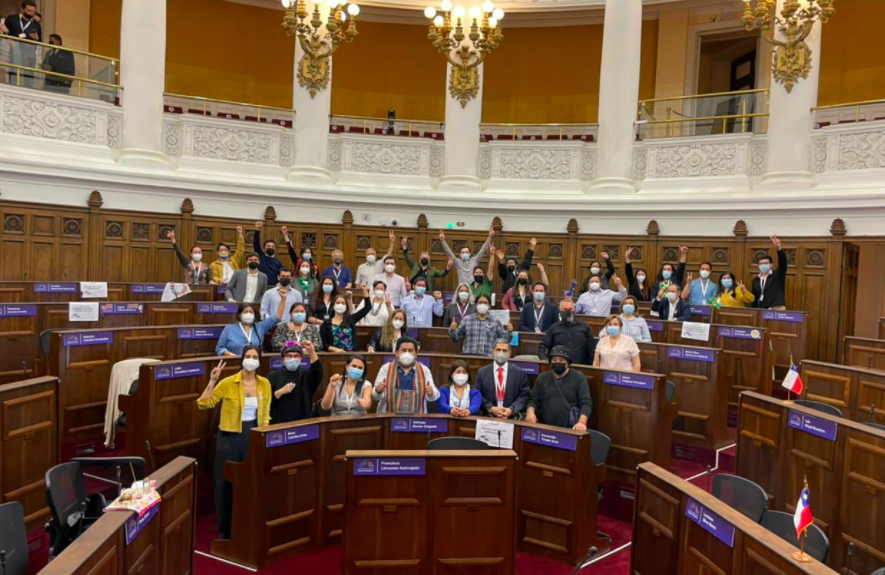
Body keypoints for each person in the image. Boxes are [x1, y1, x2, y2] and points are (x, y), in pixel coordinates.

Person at [197, 349, 270, 538]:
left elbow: (265, 414)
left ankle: (245, 526)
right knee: (225, 483)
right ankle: (225, 529)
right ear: (242, 359)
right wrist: (212, 380)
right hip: (229, 438)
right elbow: (204, 404)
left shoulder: (265, 384)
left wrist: (264, 436)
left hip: (253, 436)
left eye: (255, 357)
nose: (251, 360)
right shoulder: (228, 382)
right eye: (248, 357)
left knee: (249, 483)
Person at [526, 346, 592, 430]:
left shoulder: (579, 377)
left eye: (561, 360)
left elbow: (586, 402)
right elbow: (533, 399)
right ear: (550, 362)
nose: (558, 362)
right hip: (544, 425)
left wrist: (582, 422)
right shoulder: (543, 377)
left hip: (570, 427)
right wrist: (530, 412)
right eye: (554, 360)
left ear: (568, 362)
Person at [373, 336, 440, 413]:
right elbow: (375, 397)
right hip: (388, 417)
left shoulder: (424, 370)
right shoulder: (386, 368)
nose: (407, 353)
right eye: (403, 350)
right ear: (397, 353)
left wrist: (431, 393)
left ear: (416, 353)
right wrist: (378, 390)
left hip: (417, 419)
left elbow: (435, 396)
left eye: (410, 350)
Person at [268, 341, 323, 423]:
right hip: (278, 423)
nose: (292, 359)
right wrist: (280, 392)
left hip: (301, 423)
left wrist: (311, 351)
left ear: (301, 359)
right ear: (283, 359)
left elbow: (317, 369)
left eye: (296, 356)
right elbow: (265, 400)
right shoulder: (273, 376)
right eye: (289, 356)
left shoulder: (306, 375)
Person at [473, 339, 529, 418]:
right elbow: (477, 394)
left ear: (510, 353)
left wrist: (511, 410)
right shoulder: (482, 372)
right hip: (489, 416)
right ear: (493, 352)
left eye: (504, 350)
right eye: (498, 350)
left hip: (511, 417)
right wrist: (491, 408)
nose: (501, 353)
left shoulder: (519, 373)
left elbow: (524, 395)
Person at [539, 299, 596, 365]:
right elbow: (543, 345)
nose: (568, 312)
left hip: (580, 367)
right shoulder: (554, 328)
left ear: (574, 310)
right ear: (560, 311)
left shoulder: (585, 327)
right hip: (559, 366)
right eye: (565, 310)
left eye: (570, 309)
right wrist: (544, 359)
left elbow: (592, 350)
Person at [216, 302, 282, 356]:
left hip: (256, 362)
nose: (248, 314)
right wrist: (230, 355)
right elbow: (219, 348)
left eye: (251, 312)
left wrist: (283, 299)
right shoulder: (229, 328)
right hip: (236, 362)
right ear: (239, 315)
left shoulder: (260, 327)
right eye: (245, 312)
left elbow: (276, 317)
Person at [4, 1, 41, 87]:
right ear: (22, 9)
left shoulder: (36, 25)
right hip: (12, 51)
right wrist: (7, 35)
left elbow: (40, 42)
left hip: (29, 54)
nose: (31, 13)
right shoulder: (12, 18)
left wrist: (37, 38)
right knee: (13, 73)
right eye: (29, 10)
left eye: (33, 12)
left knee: (28, 75)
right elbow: (3, 32)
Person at [752, 235, 787, 310]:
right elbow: (754, 297)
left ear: (771, 265)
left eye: (766, 263)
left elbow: (783, 263)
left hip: (776, 308)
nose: (763, 265)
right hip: (761, 309)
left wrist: (779, 249)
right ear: (758, 266)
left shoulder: (777, 274)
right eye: (761, 264)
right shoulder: (756, 280)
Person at [252, 221, 283, 287]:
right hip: (260, 286)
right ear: (264, 248)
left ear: (275, 249)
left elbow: (281, 274)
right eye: (268, 246)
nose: (270, 248)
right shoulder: (260, 257)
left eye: (272, 246)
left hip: (273, 287)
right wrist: (257, 230)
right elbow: (256, 244)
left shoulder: (278, 262)